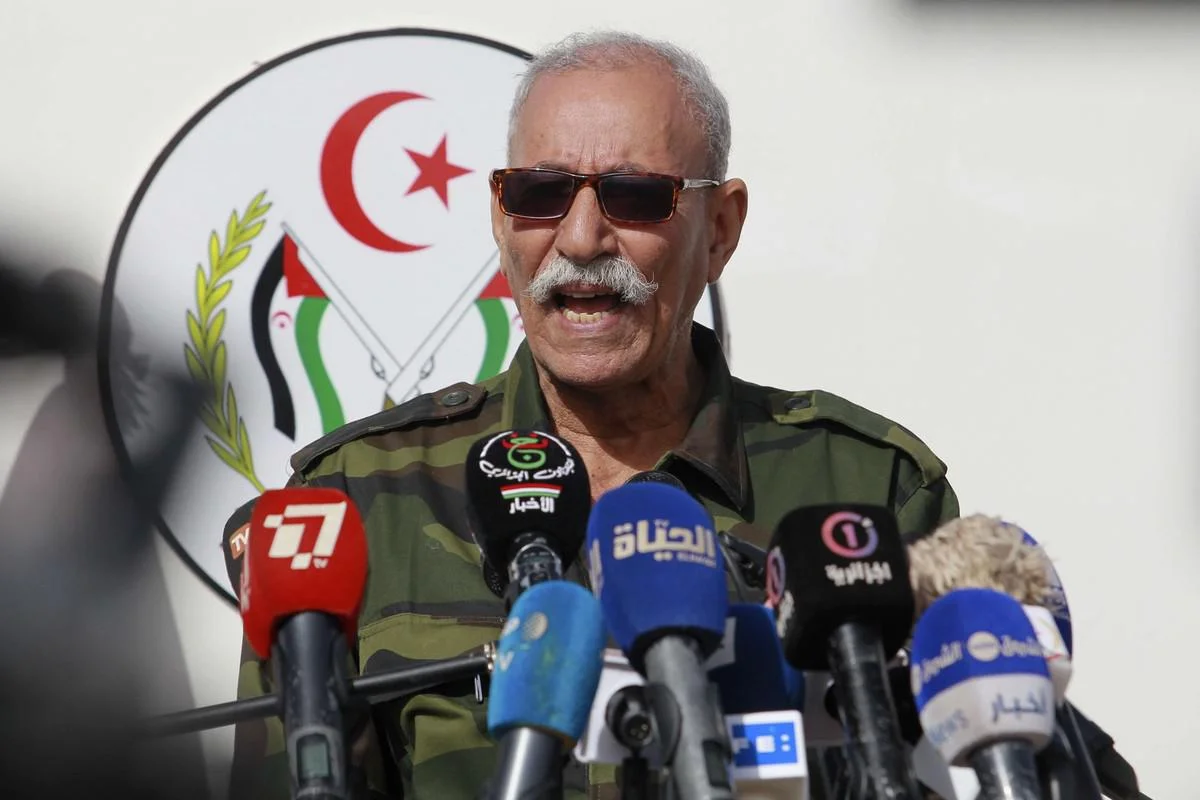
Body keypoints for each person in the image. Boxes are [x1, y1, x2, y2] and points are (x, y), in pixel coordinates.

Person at [224, 30, 959, 800]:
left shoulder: (868, 493)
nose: (579, 239)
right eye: (539, 193)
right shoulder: (351, 502)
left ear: (719, 228)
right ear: (500, 216)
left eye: (635, 195)